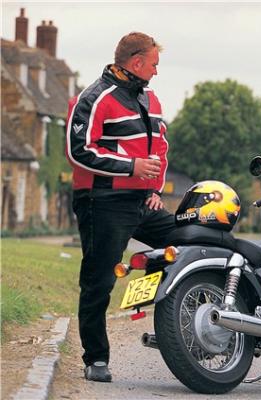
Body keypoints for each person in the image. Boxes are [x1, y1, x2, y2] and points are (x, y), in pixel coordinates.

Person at [66, 32, 176, 382]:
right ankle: (95, 359)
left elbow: (159, 146)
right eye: (154, 64)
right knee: (98, 282)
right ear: (136, 62)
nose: (157, 72)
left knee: (189, 240)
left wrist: (154, 187)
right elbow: (78, 150)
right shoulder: (94, 97)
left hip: (143, 202)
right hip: (103, 203)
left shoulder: (151, 98)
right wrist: (131, 168)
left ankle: (172, 322)